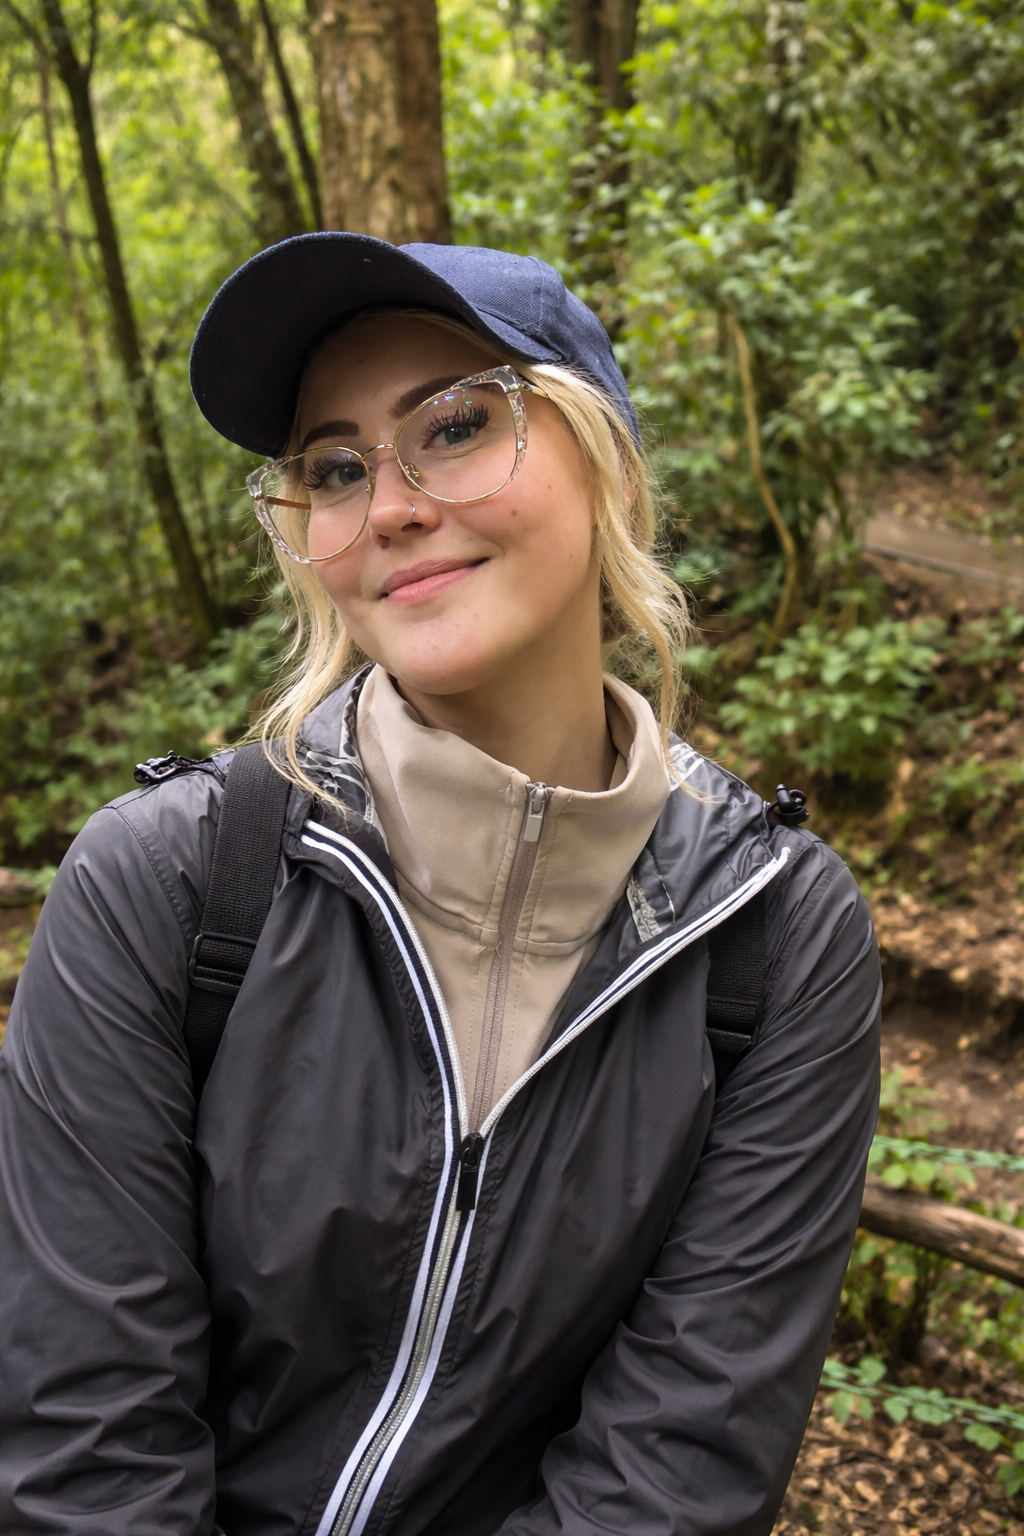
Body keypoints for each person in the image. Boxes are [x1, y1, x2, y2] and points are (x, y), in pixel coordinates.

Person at [0, 234, 881, 1536]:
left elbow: (676, 1476)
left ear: (608, 460)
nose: (392, 505)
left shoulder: (778, 940)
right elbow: (86, 1453)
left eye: (458, 425)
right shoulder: (172, 884)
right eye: (336, 468)